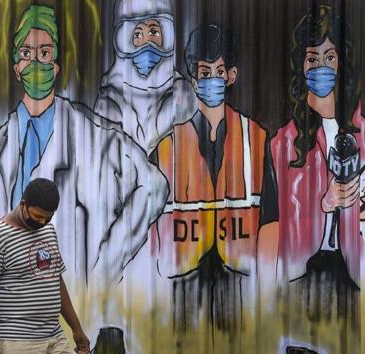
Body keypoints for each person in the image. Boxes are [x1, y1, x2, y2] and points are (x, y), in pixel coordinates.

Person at [0, 4, 153, 296]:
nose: (35, 63)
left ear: (56, 66)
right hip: (8, 313)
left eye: (44, 53)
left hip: (67, 308)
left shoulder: (93, 135)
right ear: (16, 68)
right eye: (26, 54)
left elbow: (152, 186)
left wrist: (106, 266)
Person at [154, 24, 279, 331]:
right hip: (180, 290)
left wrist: (265, 295)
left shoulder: (255, 138)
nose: (212, 80)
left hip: (241, 286)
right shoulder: (167, 146)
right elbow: (151, 229)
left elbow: (270, 219)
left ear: (231, 76)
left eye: (219, 71)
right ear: (194, 79)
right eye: (204, 72)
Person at [270, 4, 364, 320]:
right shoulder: (285, 143)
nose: (321, 67)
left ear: (342, 63)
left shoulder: (362, 128)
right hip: (306, 279)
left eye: (329, 57)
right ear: (301, 66)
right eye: (312, 59)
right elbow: (280, 224)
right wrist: (323, 203)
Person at [0, 178, 89, 354]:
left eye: (48, 218)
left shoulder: (48, 231)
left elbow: (56, 281)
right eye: (37, 216)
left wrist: (76, 328)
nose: (41, 223)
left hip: (54, 336)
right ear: (23, 204)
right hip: (16, 341)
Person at [95, 0, 196, 155]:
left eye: (154, 32)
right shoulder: (109, 103)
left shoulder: (184, 96)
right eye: (137, 34)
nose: (147, 43)